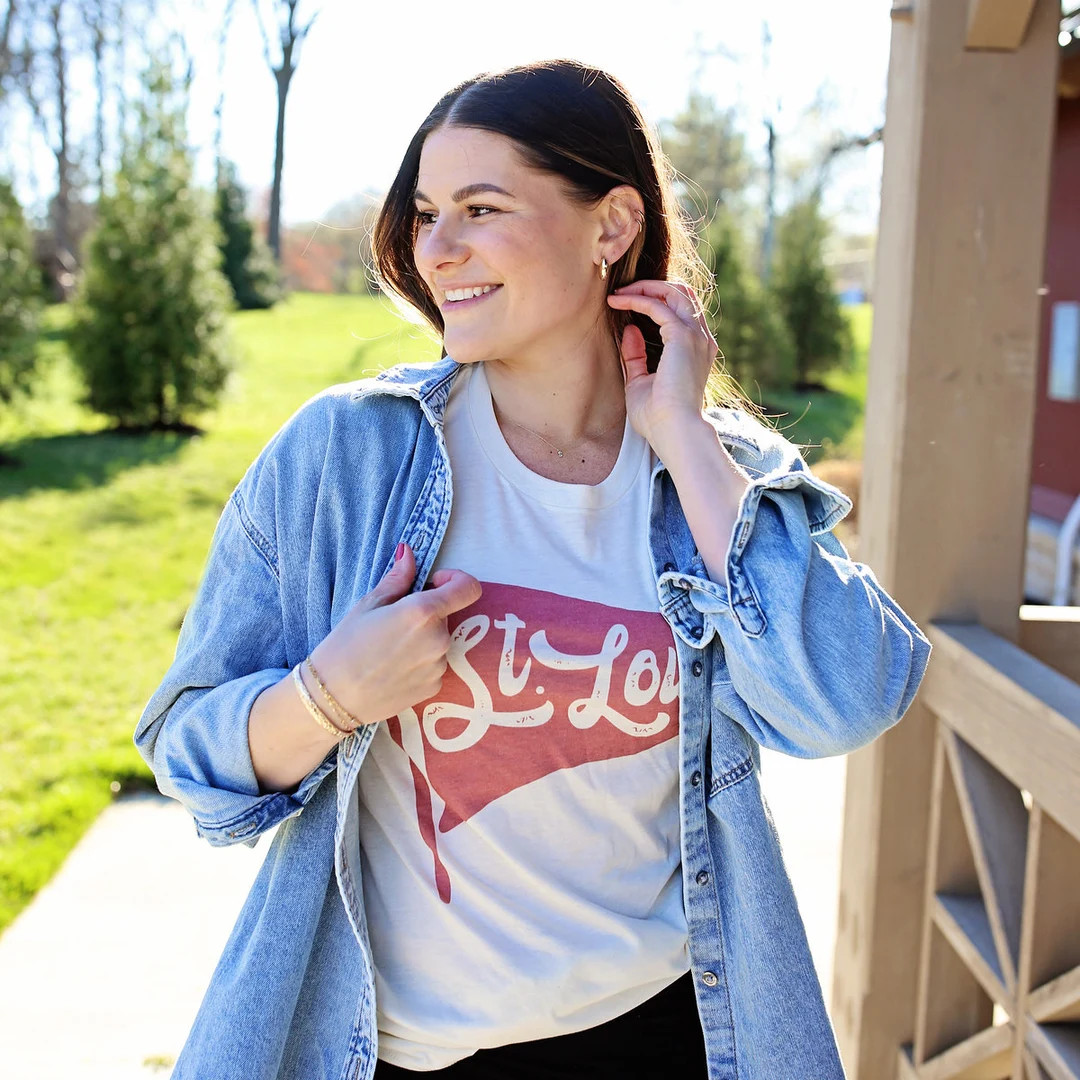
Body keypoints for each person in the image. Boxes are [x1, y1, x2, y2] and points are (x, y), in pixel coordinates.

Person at [135, 58, 932, 1080]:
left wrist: (685, 439)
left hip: (668, 1031)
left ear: (610, 227)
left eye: (480, 207)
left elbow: (846, 701)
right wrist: (334, 694)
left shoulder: (716, 476)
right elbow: (188, 752)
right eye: (426, 214)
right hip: (398, 1052)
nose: (439, 249)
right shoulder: (348, 457)